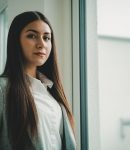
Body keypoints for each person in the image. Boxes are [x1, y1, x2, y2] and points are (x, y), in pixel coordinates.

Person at [0, 11, 76, 150]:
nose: (41, 44)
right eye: (32, 36)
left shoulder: (52, 92)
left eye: (46, 38)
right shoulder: (3, 89)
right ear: (15, 41)